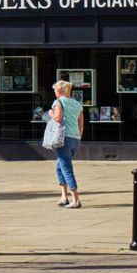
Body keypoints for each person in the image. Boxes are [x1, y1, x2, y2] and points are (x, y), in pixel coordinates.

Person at [47, 80, 85, 208]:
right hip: (75, 139)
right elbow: (81, 125)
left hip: (64, 139)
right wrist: (79, 139)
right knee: (60, 167)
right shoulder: (77, 104)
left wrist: (50, 113)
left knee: (67, 169)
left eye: (55, 90)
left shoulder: (58, 102)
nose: (54, 92)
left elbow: (57, 118)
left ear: (60, 91)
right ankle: (64, 196)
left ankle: (76, 199)